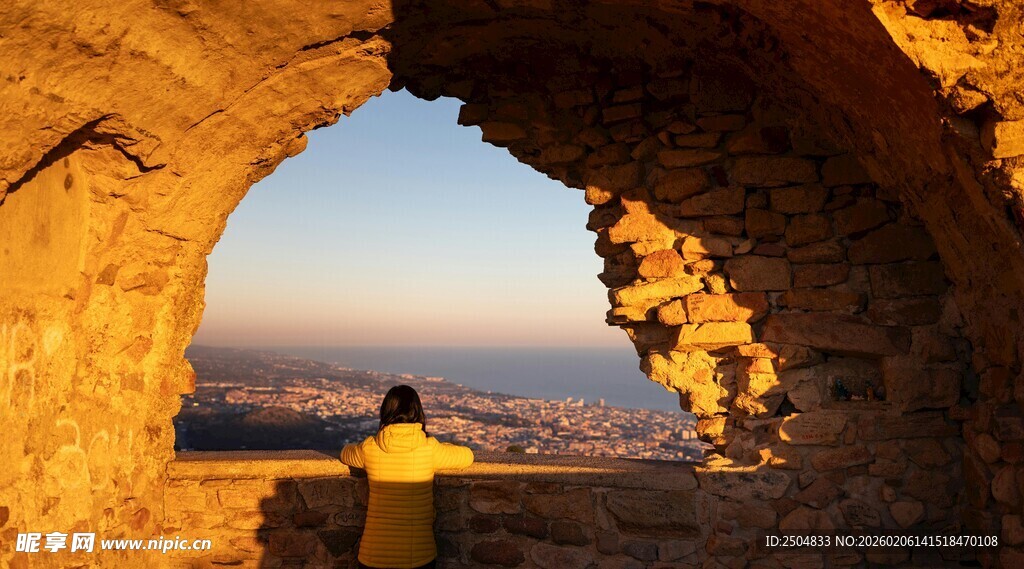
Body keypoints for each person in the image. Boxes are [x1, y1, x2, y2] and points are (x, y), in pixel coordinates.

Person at [341, 384, 474, 569]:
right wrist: (444, 446)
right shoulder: (429, 449)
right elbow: (467, 456)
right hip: (418, 556)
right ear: (417, 411)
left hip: (373, 556)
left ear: (386, 411)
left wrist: (363, 445)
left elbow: (345, 453)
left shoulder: (369, 448)